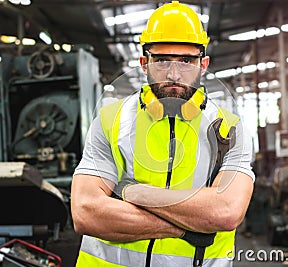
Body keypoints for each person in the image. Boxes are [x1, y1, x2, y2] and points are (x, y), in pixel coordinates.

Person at [71, 1, 255, 266]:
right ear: (144, 63)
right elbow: (86, 212)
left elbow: (225, 212)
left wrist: (131, 192)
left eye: (186, 61)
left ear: (203, 65)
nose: (174, 73)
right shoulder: (111, 121)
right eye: (162, 60)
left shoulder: (230, 129)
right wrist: (189, 227)